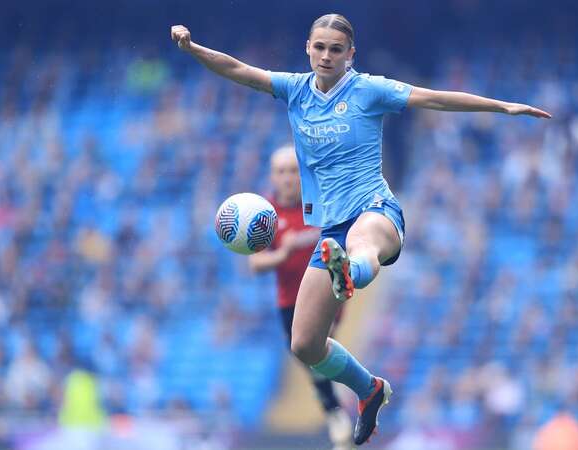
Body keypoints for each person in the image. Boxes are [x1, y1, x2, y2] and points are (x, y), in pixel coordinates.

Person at [171, 13, 550, 445]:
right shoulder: (295, 90)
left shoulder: (369, 89)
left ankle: (348, 272)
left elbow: (435, 99)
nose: (327, 55)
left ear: (351, 54)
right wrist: (193, 49)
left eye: (336, 49)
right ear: (307, 49)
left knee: (361, 244)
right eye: (320, 47)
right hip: (330, 228)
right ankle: (369, 389)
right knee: (305, 346)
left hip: (375, 210)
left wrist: (502, 106)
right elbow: (238, 70)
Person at [248, 145, 352, 450]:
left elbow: (342, 230)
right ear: (272, 176)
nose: (288, 178)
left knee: (316, 345)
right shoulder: (264, 214)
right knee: (307, 356)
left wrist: (306, 239)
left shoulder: (320, 202)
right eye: (281, 172)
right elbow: (255, 263)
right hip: (288, 299)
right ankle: (335, 403)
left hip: (325, 288)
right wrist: (284, 252)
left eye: (293, 170)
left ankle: (338, 410)